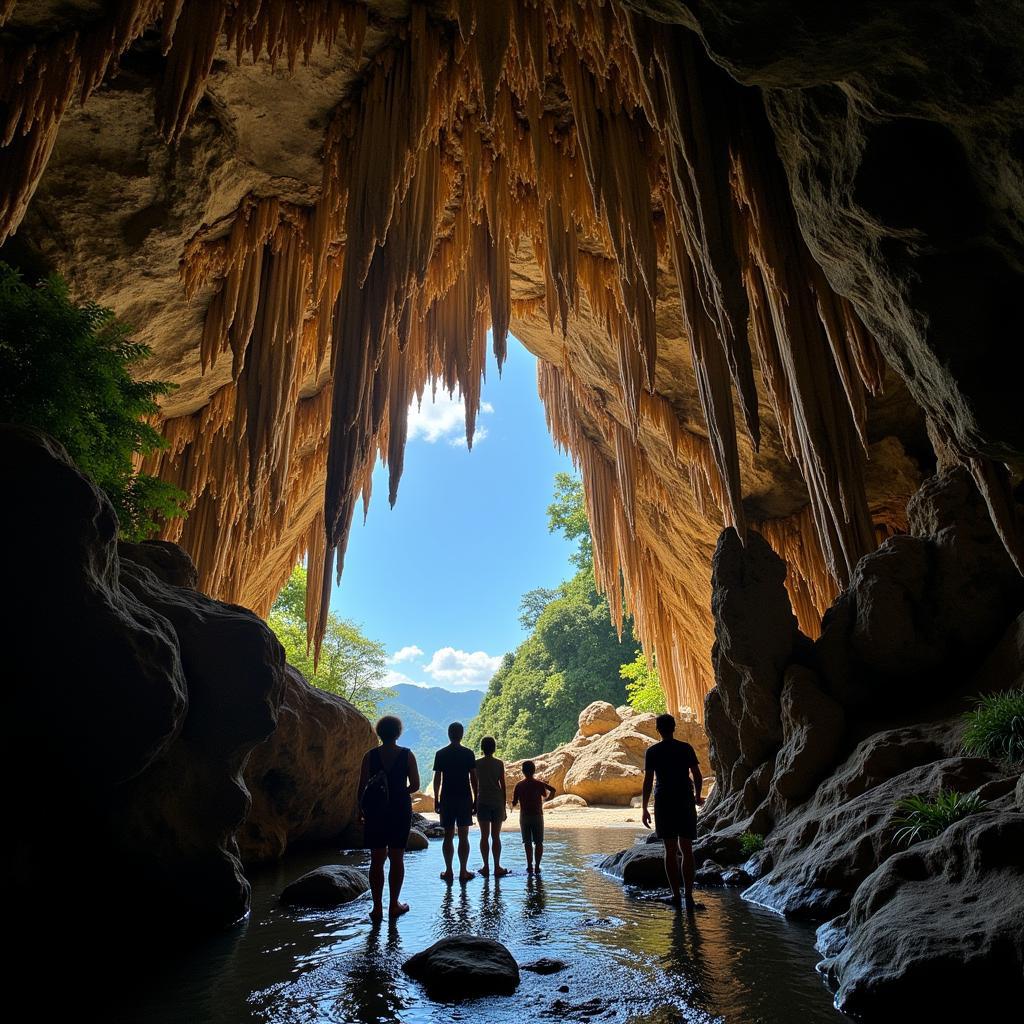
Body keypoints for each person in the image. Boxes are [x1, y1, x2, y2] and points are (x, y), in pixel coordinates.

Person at [357, 715, 420, 922]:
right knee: (397, 857)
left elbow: (363, 787)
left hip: (375, 811)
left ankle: (377, 908)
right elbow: (416, 785)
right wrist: (399, 792)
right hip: (399, 809)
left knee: (376, 859)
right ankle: (394, 905)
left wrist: (361, 810)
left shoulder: (370, 756)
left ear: (379, 732)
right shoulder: (407, 755)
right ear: (398, 733)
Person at [641, 712, 704, 911]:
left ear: (658, 730)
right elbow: (697, 775)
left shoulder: (652, 752)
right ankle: (689, 896)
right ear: (674, 727)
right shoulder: (685, 748)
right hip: (684, 799)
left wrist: (644, 808)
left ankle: (676, 896)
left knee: (669, 850)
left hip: (664, 801)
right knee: (686, 849)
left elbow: (648, 781)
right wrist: (697, 796)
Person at [432, 722, 479, 883]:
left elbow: (437, 778)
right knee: (464, 835)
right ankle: (464, 871)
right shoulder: (468, 753)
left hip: (447, 798)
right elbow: (473, 778)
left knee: (448, 835)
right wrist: (476, 798)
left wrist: (436, 798)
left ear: (449, 734)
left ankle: (449, 871)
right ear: (461, 734)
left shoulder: (441, 754)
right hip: (464, 797)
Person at [511, 761, 555, 874]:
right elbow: (551, 791)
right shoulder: (539, 784)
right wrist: (548, 799)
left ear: (523, 771)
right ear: (534, 770)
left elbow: (515, 802)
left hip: (524, 816)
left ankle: (529, 866)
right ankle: (537, 866)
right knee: (539, 842)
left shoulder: (519, 785)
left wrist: (513, 803)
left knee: (527, 842)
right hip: (537, 815)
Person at [475, 736, 510, 877]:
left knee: (484, 836)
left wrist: (474, 801)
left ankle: (485, 867)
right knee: (496, 836)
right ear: (494, 748)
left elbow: (474, 784)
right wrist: (504, 804)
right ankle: (497, 867)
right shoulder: (499, 763)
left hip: (482, 801)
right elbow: (503, 785)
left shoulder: (476, 763)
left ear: (482, 748)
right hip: (496, 802)